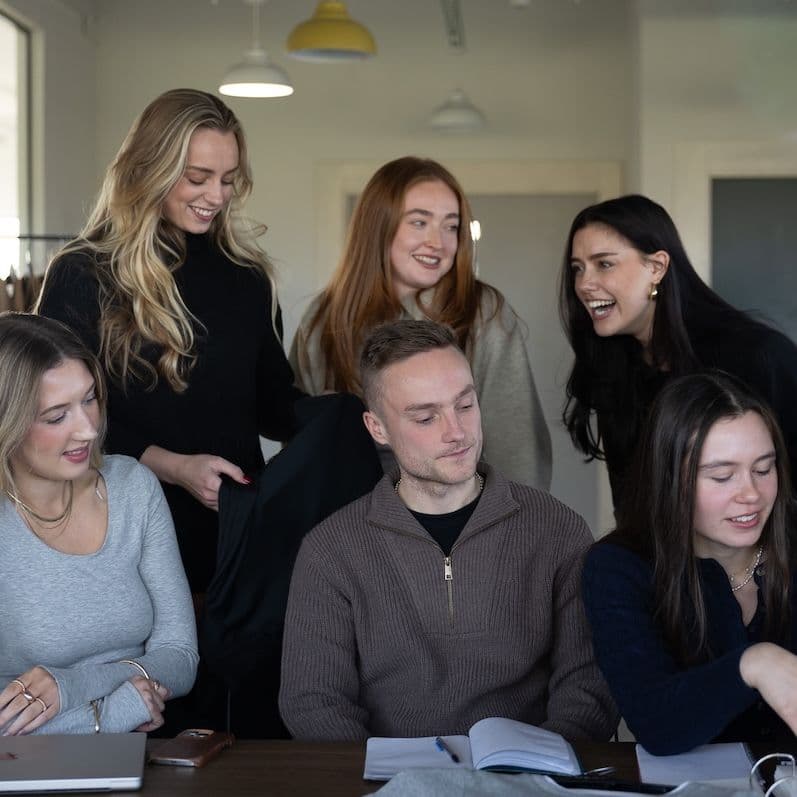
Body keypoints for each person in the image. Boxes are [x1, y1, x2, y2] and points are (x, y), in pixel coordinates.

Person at [279, 319, 617, 741]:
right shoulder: (330, 550)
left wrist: (546, 765)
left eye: (465, 405)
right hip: (386, 782)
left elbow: (588, 684)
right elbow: (314, 701)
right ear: (378, 429)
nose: (456, 432)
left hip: (530, 775)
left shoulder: (557, 530)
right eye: (425, 418)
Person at [36, 88, 303, 593]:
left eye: (228, 180)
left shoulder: (248, 278)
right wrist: (173, 466)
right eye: (198, 178)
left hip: (231, 538)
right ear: (149, 168)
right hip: (117, 534)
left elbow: (275, 407)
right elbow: (53, 417)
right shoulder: (83, 273)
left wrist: (362, 412)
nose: (217, 197)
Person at [290, 156, 551, 490]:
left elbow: (517, 447)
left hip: (463, 528)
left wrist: (510, 530)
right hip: (350, 528)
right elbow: (303, 452)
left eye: (450, 226)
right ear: (379, 226)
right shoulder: (323, 319)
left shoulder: (484, 312)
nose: (437, 242)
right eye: (419, 222)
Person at [0, 313, 198, 735]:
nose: (89, 430)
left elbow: (179, 656)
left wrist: (74, 686)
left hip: (145, 755)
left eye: (89, 399)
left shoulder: (133, 487)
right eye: (56, 417)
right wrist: (115, 711)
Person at [582, 372, 797, 755]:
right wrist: (753, 664)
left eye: (763, 469)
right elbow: (656, 722)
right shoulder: (618, 568)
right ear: (670, 480)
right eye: (722, 476)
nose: (751, 494)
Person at [560, 193, 797, 509]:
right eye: (577, 268)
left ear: (656, 267)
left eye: (604, 264)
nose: (584, 284)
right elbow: (632, 509)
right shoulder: (615, 367)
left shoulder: (758, 356)